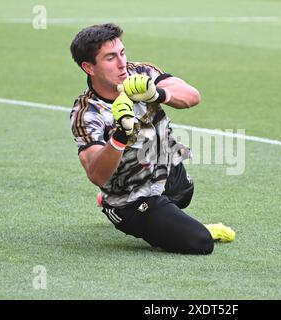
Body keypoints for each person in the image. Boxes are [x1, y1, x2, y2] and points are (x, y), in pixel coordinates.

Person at [69, 23, 234, 254]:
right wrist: (121, 133)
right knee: (200, 242)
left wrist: (158, 94)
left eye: (122, 53)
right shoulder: (87, 113)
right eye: (110, 58)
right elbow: (96, 174)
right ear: (89, 67)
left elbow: (192, 96)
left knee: (184, 190)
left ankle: (167, 215)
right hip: (130, 200)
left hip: (163, 173)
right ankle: (112, 207)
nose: (121, 63)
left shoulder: (141, 73)